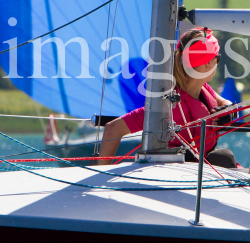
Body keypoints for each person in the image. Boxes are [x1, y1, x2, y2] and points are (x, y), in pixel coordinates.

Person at [99, 27, 238, 167]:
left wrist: (229, 111)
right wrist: (101, 180)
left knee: (225, 157)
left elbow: (224, 102)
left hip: (203, 175)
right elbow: (113, 129)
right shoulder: (167, 106)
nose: (217, 62)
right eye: (217, 58)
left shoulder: (202, 88)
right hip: (180, 179)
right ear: (208, 63)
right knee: (225, 157)